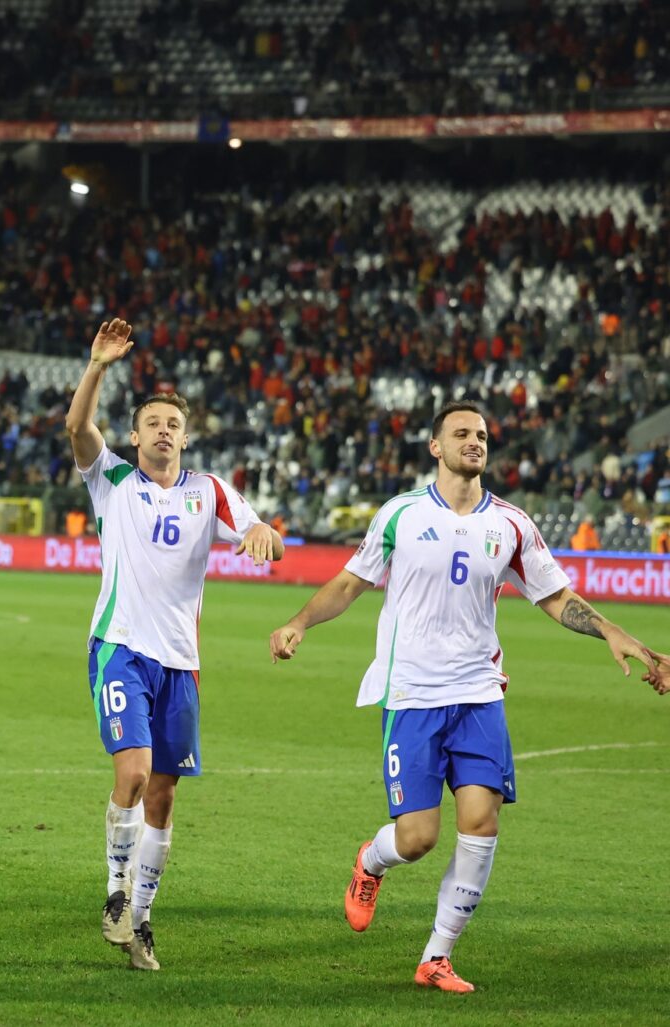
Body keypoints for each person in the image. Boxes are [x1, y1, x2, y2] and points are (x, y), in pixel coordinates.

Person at [268, 401, 669, 993]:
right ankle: (370, 862)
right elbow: (352, 582)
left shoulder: (510, 523)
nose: (474, 441)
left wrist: (611, 629)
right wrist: (300, 622)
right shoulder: (401, 514)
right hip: (411, 694)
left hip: (479, 694)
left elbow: (555, 596)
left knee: (481, 824)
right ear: (436, 447)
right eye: (461, 433)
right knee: (418, 838)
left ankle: (436, 956)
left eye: (481, 434)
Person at [66, 318, 282, 971]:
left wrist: (262, 533)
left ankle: (144, 920)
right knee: (131, 773)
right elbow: (78, 430)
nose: (162, 430)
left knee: (163, 795)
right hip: (121, 647)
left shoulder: (209, 490)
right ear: (134, 436)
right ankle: (113, 891)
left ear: (186, 436)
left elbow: (255, 524)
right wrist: (100, 365)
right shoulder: (111, 481)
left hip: (180, 665)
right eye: (151, 422)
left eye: (172, 423)